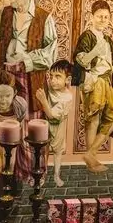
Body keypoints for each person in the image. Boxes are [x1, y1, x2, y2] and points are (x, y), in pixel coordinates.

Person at [71, 0, 113, 173]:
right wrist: (94, 52)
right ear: (91, 17)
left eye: (106, 17)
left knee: (112, 118)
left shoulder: (108, 40)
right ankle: (91, 161)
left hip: (106, 81)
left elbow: (109, 65)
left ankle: (90, 154)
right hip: (93, 80)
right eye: (99, 16)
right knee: (93, 118)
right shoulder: (87, 36)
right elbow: (81, 60)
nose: (102, 20)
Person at [35, 59, 73, 187]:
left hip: (57, 125)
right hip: (45, 124)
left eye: (58, 77)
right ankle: (41, 175)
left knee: (57, 151)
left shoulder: (67, 98)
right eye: (51, 76)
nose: (53, 80)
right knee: (42, 150)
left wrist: (43, 100)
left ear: (67, 80)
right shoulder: (51, 86)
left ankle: (56, 174)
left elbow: (51, 116)